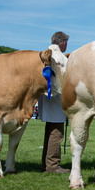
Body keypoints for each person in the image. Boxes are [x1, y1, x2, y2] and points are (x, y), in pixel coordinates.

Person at [38, 32, 70, 173]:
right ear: (63, 43)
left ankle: (46, 163)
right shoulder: (59, 57)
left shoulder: (43, 54)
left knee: (50, 131)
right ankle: (53, 165)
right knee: (56, 132)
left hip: (47, 97)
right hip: (56, 97)